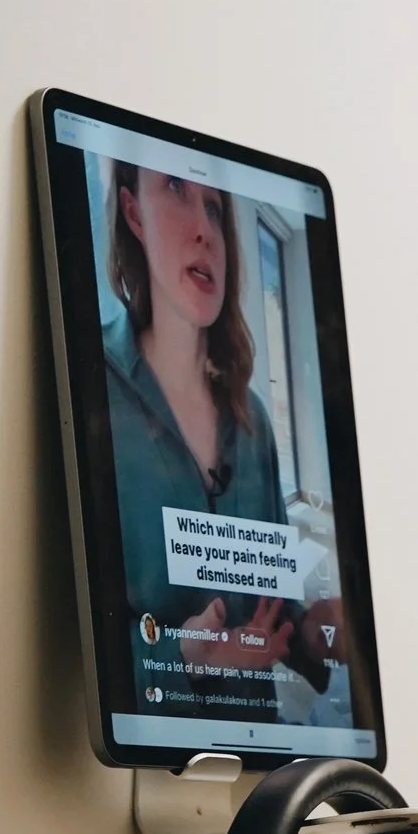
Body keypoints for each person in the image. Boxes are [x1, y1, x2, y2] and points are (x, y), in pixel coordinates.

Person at [101, 160, 294, 706]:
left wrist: (315, 627)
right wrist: (183, 656)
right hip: (145, 753)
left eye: (214, 207)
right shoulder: (89, 381)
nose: (205, 229)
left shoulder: (253, 420)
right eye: (175, 188)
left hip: (262, 751)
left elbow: (277, 600)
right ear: (134, 212)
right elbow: (68, 649)